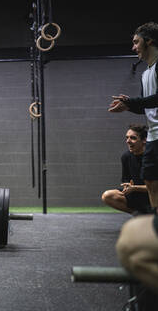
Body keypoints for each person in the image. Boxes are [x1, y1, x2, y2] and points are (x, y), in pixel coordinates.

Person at [108, 22, 158, 294]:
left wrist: (134, 103)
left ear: (149, 41)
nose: (133, 46)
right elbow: (150, 109)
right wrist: (131, 106)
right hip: (153, 134)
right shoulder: (147, 72)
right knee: (151, 183)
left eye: (137, 42)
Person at [101, 124, 151, 214]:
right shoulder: (126, 157)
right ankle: (139, 214)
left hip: (153, 195)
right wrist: (127, 186)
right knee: (108, 195)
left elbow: (155, 187)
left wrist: (135, 188)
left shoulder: (153, 157)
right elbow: (126, 179)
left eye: (133, 138)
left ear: (144, 140)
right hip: (136, 195)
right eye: (127, 138)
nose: (128, 141)